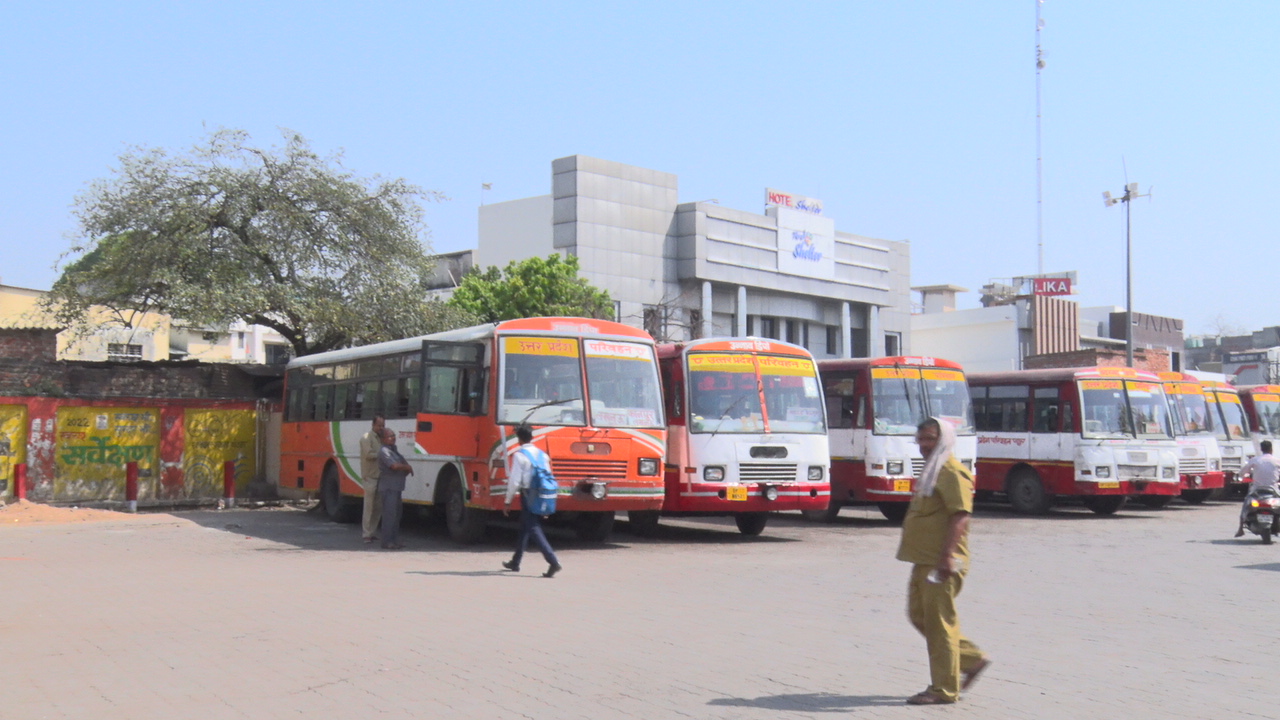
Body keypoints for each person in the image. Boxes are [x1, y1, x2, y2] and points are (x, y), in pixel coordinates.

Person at [895, 417, 989, 705]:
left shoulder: (950, 471)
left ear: (944, 440)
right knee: (918, 615)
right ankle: (970, 659)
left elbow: (960, 515)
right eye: (921, 439)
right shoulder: (932, 471)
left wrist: (947, 556)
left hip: (942, 561)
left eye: (930, 439)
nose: (924, 445)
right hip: (923, 559)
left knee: (939, 624)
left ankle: (944, 689)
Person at [501, 424, 562, 578]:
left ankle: (552, 561)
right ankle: (515, 561)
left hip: (528, 494)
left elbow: (515, 481)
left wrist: (507, 500)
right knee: (525, 526)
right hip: (542, 494)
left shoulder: (519, 455)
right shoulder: (543, 455)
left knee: (533, 527)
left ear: (519, 439)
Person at [377, 428, 413, 550]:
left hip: (396, 487)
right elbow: (394, 465)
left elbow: (403, 463)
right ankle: (387, 542)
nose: (392, 438)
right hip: (388, 487)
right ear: (383, 439)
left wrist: (406, 467)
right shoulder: (384, 451)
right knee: (389, 515)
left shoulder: (394, 450)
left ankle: (394, 540)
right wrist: (406, 467)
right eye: (389, 436)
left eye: (393, 435)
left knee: (397, 515)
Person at [1235, 440, 1277, 538]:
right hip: (1274, 490)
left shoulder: (1255, 460)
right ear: (1271, 449)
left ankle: (1241, 529)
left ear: (1261, 449)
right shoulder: (1277, 461)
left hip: (1257, 490)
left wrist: (1243, 475)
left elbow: (1242, 472)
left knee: (1246, 505)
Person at [359, 415, 386, 543]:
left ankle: (372, 531)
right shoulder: (366, 438)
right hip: (370, 476)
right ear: (373, 425)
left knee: (378, 506)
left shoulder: (382, 438)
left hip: (380, 476)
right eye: (379, 425)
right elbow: (368, 454)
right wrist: (382, 455)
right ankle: (366, 534)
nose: (381, 428)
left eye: (382, 425)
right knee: (368, 506)